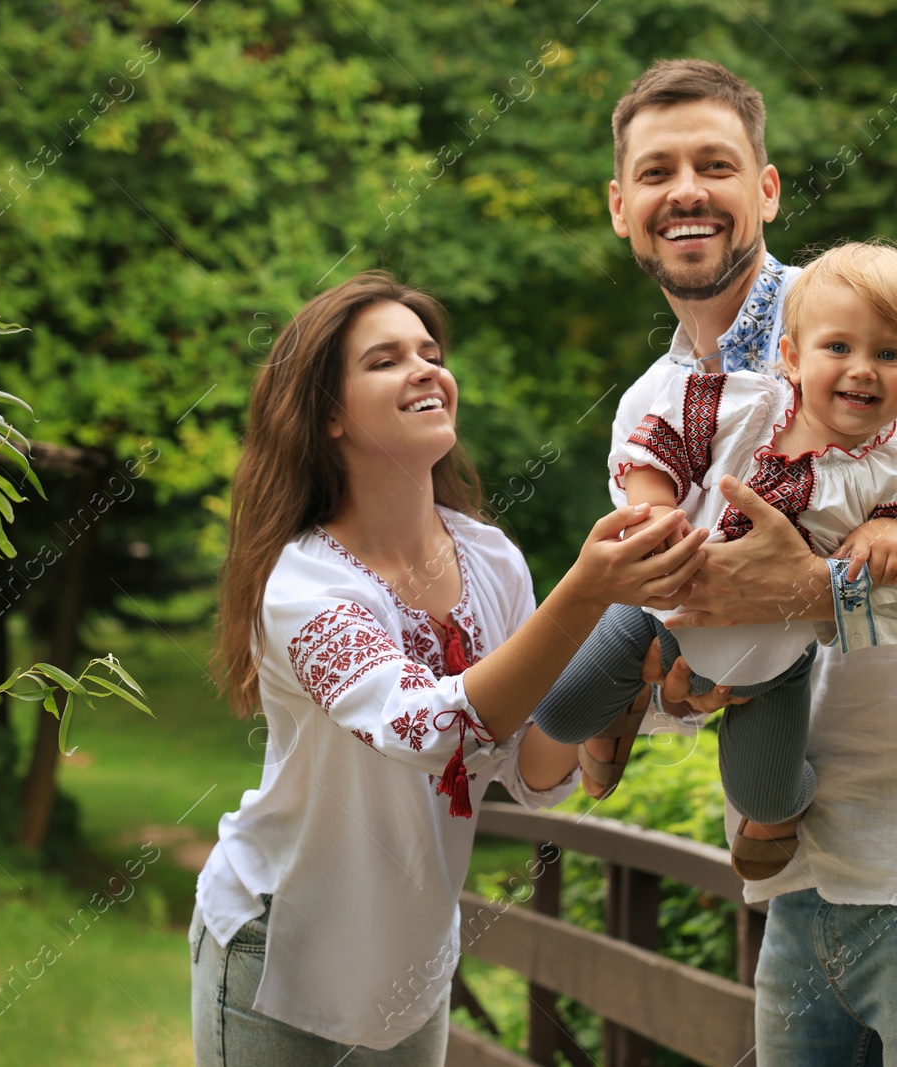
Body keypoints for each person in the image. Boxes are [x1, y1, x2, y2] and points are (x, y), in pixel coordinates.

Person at [601, 59, 897, 1065]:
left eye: (714, 163)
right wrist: (679, 690)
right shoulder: (648, 414)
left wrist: (814, 587)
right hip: (794, 870)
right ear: (621, 206)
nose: (684, 190)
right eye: (656, 171)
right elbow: (696, 641)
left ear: (765, 189)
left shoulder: (872, 336)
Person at [192, 271, 706, 1065]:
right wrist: (586, 590)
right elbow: (425, 726)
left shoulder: (492, 560)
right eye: (386, 359)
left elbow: (533, 765)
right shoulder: (303, 583)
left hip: (413, 966)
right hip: (281, 950)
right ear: (328, 414)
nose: (425, 369)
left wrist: (647, 687)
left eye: (431, 351)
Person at [534, 241, 897, 882]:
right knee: (556, 713)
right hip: (660, 606)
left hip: (772, 662)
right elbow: (659, 439)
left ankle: (779, 810)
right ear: (791, 357)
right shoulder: (743, 404)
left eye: (889, 355)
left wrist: (891, 529)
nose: (862, 369)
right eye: (838, 348)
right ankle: (619, 701)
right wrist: (654, 512)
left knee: (765, 796)